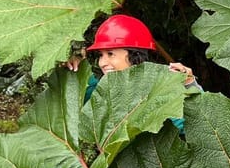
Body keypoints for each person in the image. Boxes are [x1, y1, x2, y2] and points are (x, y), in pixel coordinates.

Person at [66, 14, 199, 132]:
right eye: (101, 55)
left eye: (110, 54)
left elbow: (192, 127)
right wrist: (72, 72)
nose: (102, 63)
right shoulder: (99, 89)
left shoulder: (159, 90)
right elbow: (72, 105)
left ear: (135, 55)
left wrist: (190, 86)